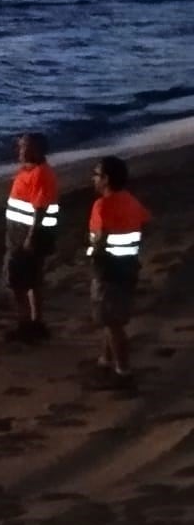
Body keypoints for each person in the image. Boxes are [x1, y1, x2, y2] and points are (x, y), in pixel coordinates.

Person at [86, 156, 150, 389]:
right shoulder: (131, 201)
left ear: (106, 179)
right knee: (111, 318)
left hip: (109, 269)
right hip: (128, 265)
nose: (93, 178)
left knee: (113, 322)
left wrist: (94, 259)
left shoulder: (102, 205)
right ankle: (106, 359)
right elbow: (144, 221)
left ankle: (123, 370)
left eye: (96, 174)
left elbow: (101, 238)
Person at [1, 133, 60, 343]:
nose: (20, 151)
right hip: (22, 233)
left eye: (25, 147)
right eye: (20, 146)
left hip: (26, 236)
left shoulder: (41, 174)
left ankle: (25, 323)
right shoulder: (31, 171)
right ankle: (35, 322)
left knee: (17, 281)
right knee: (33, 280)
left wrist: (31, 237)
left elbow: (40, 209)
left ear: (37, 149)